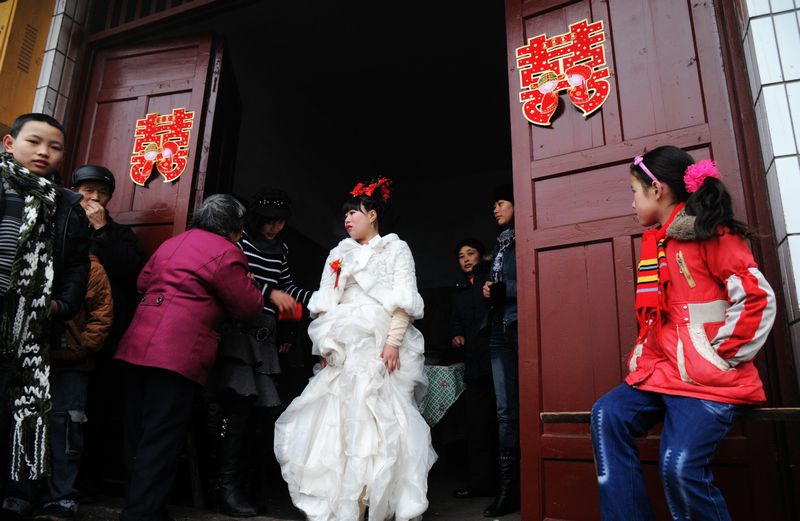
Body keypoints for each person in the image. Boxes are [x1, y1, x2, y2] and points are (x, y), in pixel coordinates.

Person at [590, 146, 776, 520]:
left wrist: (720, 356)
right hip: (663, 374)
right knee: (607, 415)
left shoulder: (710, 234)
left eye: (634, 191)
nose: (632, 202)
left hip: (708, 382)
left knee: (678, 467)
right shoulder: (659, 242)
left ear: (656, 190)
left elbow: (757, 297)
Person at [274, 178, 437, 521]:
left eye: (354, 213)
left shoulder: (395, 248)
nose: (347, 219)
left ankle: (374, 498)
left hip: (378, 342)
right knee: (338, 416)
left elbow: (404, 299)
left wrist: (393, 342)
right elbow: (326, 301)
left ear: (373, 215)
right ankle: (343, 499)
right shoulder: (338, 253)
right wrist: (324, 345)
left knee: (379, 417)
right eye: (345, 214)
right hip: (343, 345)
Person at [114, 194, 264, 521]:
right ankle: (142, 514)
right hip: (176, 351)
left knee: (137, 432)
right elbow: (248, 306)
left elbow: (143, 282)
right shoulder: (227, 252)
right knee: (162, 435)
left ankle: (142, 506)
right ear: (232, 226)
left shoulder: (173, 243)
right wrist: (250, 284)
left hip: (137, 343)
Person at [0, 113, 89, 520]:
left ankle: (18, 491)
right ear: (9, 143)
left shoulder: (68, 205)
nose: (43, 152)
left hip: (33, 323)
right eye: (34, 141)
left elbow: (77, 267)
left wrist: (61, 306)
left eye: (54, 147)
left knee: (22, 405)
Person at [211, 187, 313, 516]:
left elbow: (287, 287)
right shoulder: (240, 243)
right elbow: (237, 279)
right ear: (256, 219)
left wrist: (320, 299)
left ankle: (248, 484)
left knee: (265, 413)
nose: (275, 228)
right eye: (269, 221)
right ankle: (224, 487)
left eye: (281, 222)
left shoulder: (281, 249)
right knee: (237, 409)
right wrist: (271, 294)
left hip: (265, 338)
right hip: (239, 333)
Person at [69, 164, 146, 501]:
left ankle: (89, 482)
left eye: (103, 193)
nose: (96, 198)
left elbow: (133, 273)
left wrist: (101, 231)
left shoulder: (121, 235)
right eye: (88, 191)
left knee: (99, 410)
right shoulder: (62, 222)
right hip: (65, 329)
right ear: (75, 192)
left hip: (108, 337)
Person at [34, 254, 113, 521]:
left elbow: (102, 315)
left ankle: (61, 496)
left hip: (70, 364)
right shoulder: (35, 259)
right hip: (33, 360)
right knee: (30, 424)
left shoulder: (92, 268)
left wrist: (83, 349)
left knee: (65, 428)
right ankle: (21, 493)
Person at [481, 184, 519, 517]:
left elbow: (540, 275)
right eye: (493, 204)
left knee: (523, 408)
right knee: (505, 412)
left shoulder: (524, 240)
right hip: (498, 329)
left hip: (519, 326)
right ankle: (508, 491)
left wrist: (504, 288)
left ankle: (521, 488)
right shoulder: (500, 245)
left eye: (501, 202)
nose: (495, 209)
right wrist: (489, 289)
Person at [450, 238, 497, 501]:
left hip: (496, 361)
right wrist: (456, 336)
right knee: (476, 425)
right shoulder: (458, 291)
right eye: (461, 256)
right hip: (474, 366)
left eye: (471, 253)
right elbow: (456, 323)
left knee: (500, 422)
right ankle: (480, 483)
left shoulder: (490, 282)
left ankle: (506, 485)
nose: (466, 259)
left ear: (482, 255)